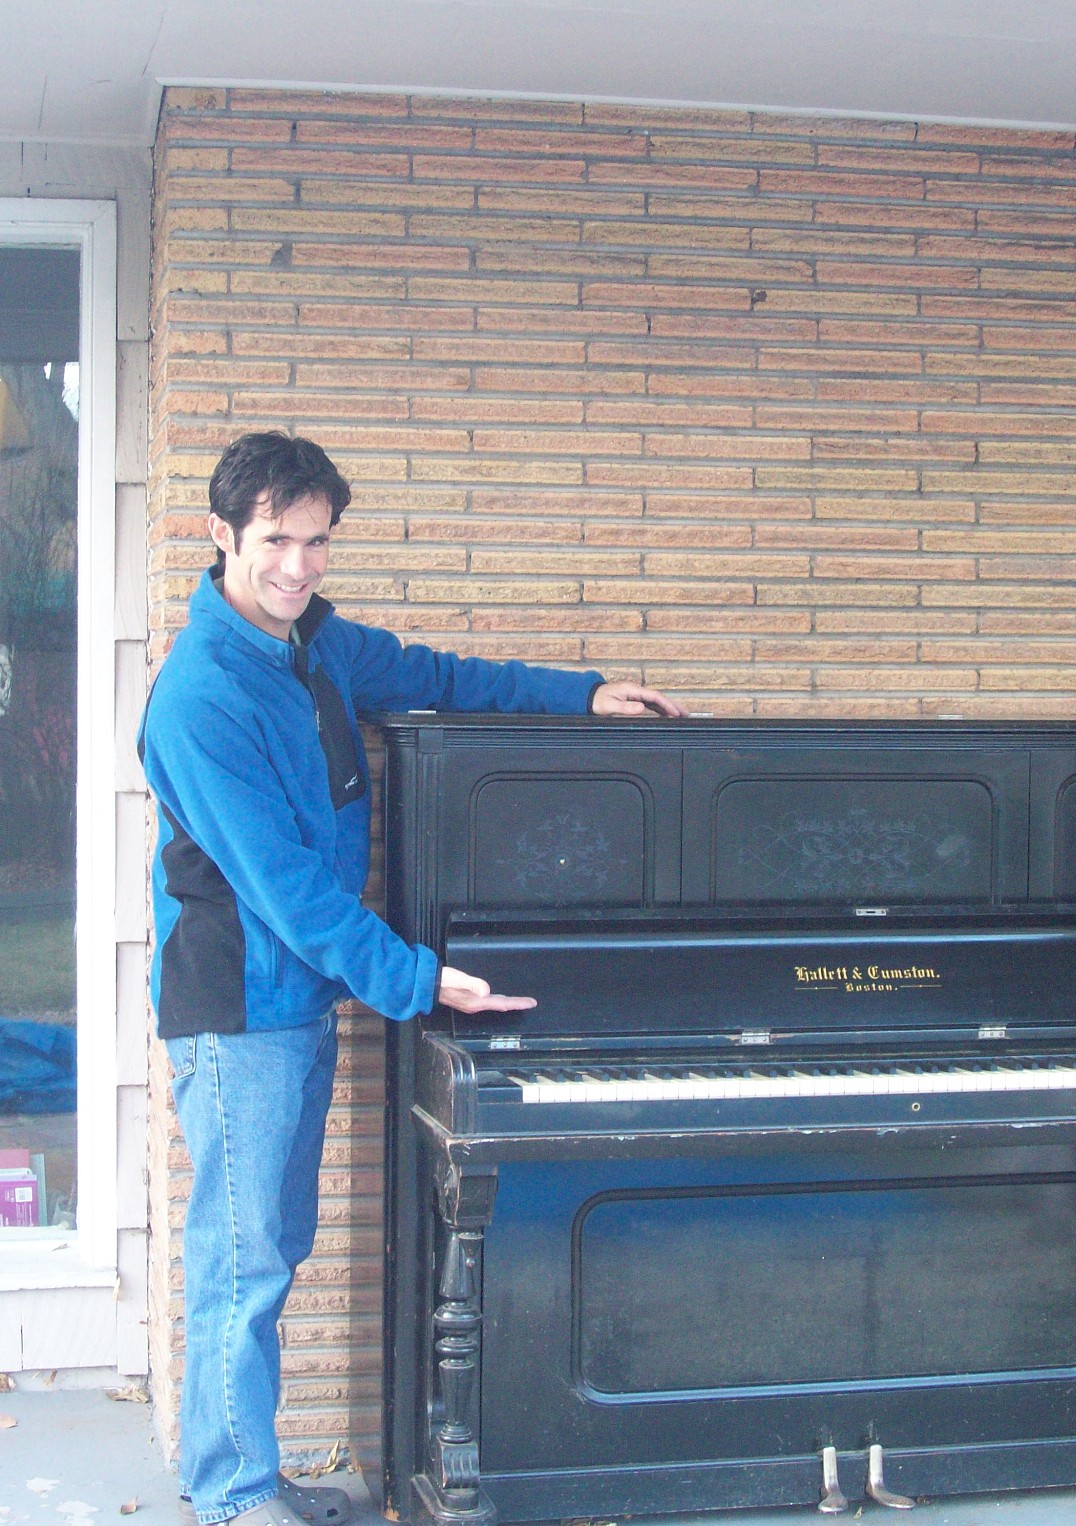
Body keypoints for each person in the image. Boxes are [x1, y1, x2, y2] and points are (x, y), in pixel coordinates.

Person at [138, 432, 685, 1526]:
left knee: (272, 1247)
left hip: (294, 999)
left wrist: (581, 697)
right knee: (243, 1261)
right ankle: (235, 1495)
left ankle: (248, 1467)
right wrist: (423, 978)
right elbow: (287, 890)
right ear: (221, 537)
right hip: (239, 1007)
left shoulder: (318, 645)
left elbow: (438, 675)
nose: (297, 564)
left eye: (316, 541)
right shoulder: (199, 695)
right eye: (275, 541)